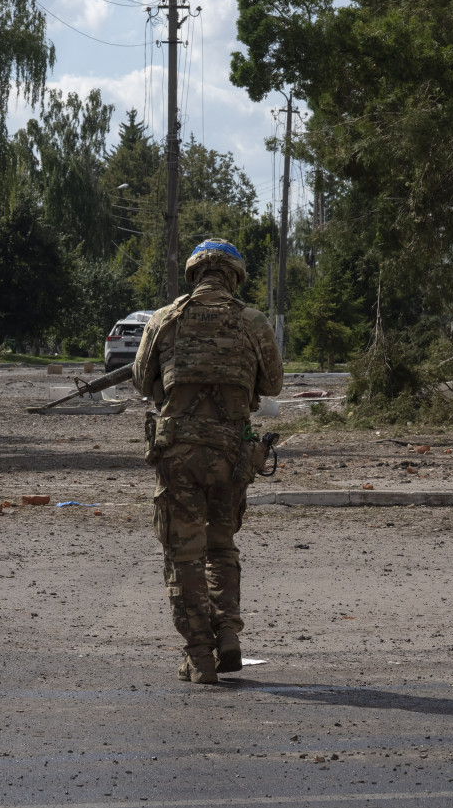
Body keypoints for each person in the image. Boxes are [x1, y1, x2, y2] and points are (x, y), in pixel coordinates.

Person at [132, 238, 284, 683]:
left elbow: (143, 380)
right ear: (234, 275)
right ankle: (229, 634)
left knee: (184, 554)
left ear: (195, 273)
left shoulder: (165, 319)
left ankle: (200, 655)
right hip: (231, 456)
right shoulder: (252, 322)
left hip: (178, 454)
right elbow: (272, 384)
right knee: (221, 546)